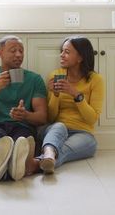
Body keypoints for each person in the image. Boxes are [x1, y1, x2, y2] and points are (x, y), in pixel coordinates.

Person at [0, 35, 47, 183]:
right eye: (13, 50)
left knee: (22, 140)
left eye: (21, 51)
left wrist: (25, 115)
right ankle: (7, 158)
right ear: (0, 53)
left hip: (22, 126)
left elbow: (42, 117)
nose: (18, 55)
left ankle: (3, 165)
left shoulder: (34, 79)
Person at [39, 36, 105, 174]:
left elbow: (91, 119)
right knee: (59, 126)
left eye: (67, 52)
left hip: (82, 133)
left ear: (80, 57)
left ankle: (39, 161)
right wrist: (55, 95)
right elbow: (50, 118)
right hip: (56, 129)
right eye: (62, 51)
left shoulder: (95, 80)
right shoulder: (56, 75)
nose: (61, 55)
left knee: (90, 145)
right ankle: (48, 155)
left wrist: (76, 94)